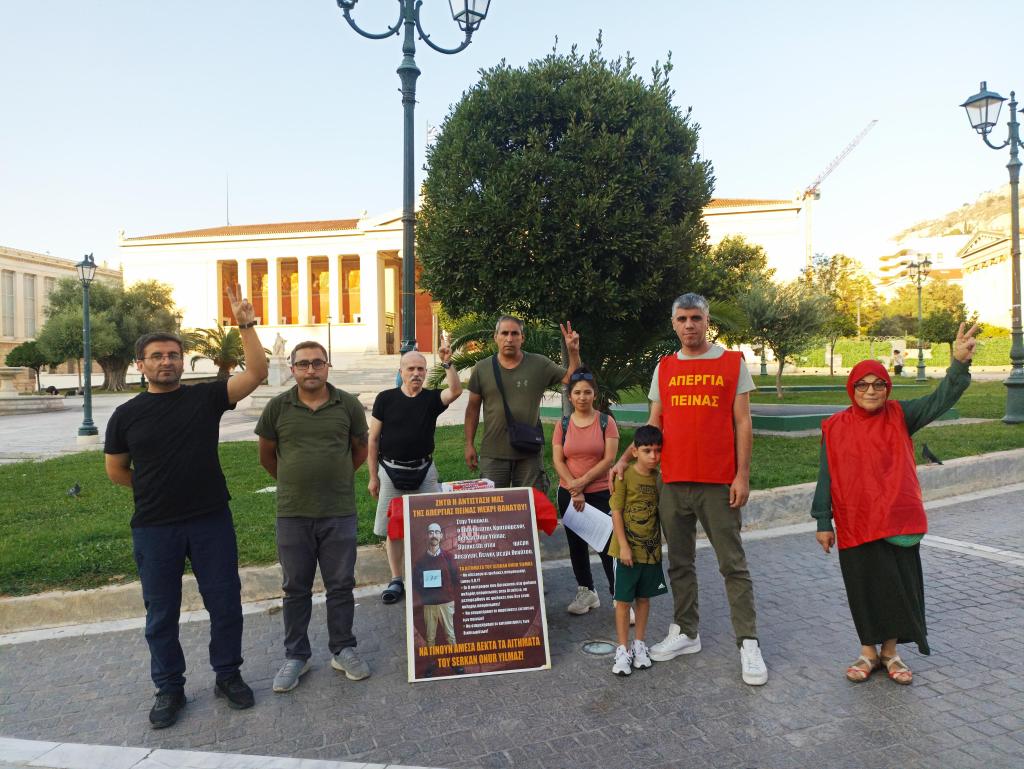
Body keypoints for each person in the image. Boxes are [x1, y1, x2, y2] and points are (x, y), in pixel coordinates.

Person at [103, 285, 268, 729]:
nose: (166, 361)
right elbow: (116, 469)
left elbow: (256, 372)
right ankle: (169, 687)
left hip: (211, 519)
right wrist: (156, 487)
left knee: (225, 603)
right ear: (142, 365)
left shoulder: (205, 397)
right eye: (156, 356)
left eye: (173, 355)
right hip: (155, 527)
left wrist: (246, 323)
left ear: (181, 360)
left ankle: (227, 675)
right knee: (161, 612)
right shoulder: (126, 415)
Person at [611, 292, 767, 686]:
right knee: (679, 562)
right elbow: (654, 423)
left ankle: (748, 642)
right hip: (673, 481)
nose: (689, 325)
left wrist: (742, 475)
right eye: (682, 319)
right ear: (673, 323)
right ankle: (686, 632)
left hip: (718, 482)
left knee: (732, 564)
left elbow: (743, 423)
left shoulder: (732, 363)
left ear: (707, 320)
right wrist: (626, 458)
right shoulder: (664, 368)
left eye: (696, 318)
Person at [812, 323, 980, 685]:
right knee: (862, 586)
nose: (870, 390)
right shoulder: (834, 427)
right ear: (852, 388)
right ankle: (867, 652)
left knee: (897, 587)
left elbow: (941, 399)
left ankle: (890, 653)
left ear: (887, 388)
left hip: (896, 520)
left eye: (878, 384)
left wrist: (958, 365)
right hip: (855, 520)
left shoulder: (901, 415)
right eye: (863, 384)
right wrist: (822, 520)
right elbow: (826, 475)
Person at [255, 341, 370, 693]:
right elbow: (267, 457)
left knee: (341, 584)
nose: (310, 370)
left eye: (317, 363)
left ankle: (343, 648)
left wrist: (333, 478)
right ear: (292, 368)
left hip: (338, 510)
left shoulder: (347, 404)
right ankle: (296, 656)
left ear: (327, 366)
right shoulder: (277, 408)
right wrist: (296, 481)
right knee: (295, 587)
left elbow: (360, 450)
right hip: (293, 513)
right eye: (303, 364)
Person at [368, 343, 462, 605]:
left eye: (421, 368)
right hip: (390, 470)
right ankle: (397, 578)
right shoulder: (385, 399)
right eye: (411, 368)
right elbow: (373, 439)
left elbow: (455, 391)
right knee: (393, 529)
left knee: (433, 527)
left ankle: (427, 576)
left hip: (424, 471)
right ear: (401, 371)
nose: (416, 373)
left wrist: (447, 363)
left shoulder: (431, 399)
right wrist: (373, 476)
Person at [464, 316, 581, 489]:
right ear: (496, 337)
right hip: (493, 453)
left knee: (530, 506)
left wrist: (573, 351)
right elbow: (472, 409)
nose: (509, 339)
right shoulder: (482, 368)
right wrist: (469, 444)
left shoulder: (539, 364)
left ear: (522, 338)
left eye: (514, 333)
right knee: (494, 508)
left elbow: (574, 380)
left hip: (529, 452)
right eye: (504, 333)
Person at [551, 366, 620, 614]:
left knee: (608, 546)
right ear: (570, 396)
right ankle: (587, 592)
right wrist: (573, 488)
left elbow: (608, 459)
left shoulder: (606, 422)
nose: (582, 397)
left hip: (600, 492)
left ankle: (618, 596)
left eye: (587, 392)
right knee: (576, 545)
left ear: (595, 394)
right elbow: (558, 460)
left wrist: (582, 483)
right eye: (577, 392)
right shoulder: (564, 424)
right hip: (569, 493)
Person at [609, 425, 667, 676]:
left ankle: (639, 644)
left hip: (651, 552)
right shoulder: (625, 476)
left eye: (657, 451)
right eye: (647, 451)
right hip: (627, 552)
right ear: (634, 451)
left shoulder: (660, 478)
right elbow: (617, 512)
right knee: (623, 602)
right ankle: (622, 649)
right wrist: (623, 546)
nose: (653, 456)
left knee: (644, 599)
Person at [413, 522, 460, 651]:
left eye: (436, 532)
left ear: (441, 536)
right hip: (429, 604)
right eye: (431, 532)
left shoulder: (449, 557)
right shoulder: (420, 561)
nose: (434, 535)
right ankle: (431, 664)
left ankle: (455, 661)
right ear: (427, 536)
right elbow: (416, 583)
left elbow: (456, 578)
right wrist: (427, 594)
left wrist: (448, 595)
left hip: (446, 603)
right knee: (430, 638)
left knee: (450, 635)